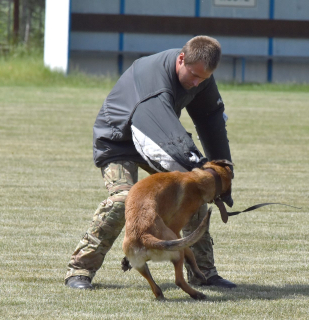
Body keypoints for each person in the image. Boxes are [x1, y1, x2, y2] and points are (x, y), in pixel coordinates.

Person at [65, 35, 236, 290]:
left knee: (195, 192)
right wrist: (199, 165)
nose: (196, 83)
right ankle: (79, 270)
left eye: (203, 79)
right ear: (181, 59)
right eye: (193, 75)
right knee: (123, 200)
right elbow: (164, 132)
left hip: (154, 137)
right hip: (117, 143)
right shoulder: (155, 82)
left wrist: (221, 173)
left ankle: (203, 273)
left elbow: (211, 117)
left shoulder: (199, 77)